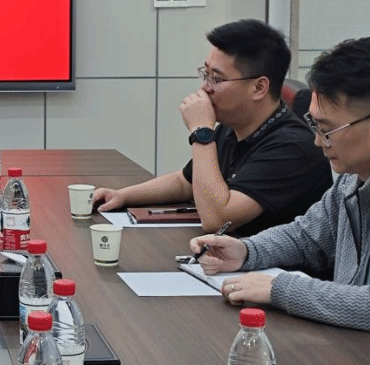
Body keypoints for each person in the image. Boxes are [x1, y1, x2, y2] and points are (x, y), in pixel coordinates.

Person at [192, 37, 370, 365]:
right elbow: (307, 237)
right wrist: (246, 251)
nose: (317, 141)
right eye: (315, 125)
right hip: (356, 362)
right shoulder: (356, 173)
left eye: (327, 130)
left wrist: (282, 289)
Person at [94, 19, 332, 236]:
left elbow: (217, 220)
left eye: (216, 79)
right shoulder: (232, 126)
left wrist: (201, 132)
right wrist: (123, 195)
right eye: (205, 74)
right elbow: (185, 182)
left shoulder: (293, 147)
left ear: (259, 88)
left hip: (278, 268)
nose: (205, 87)